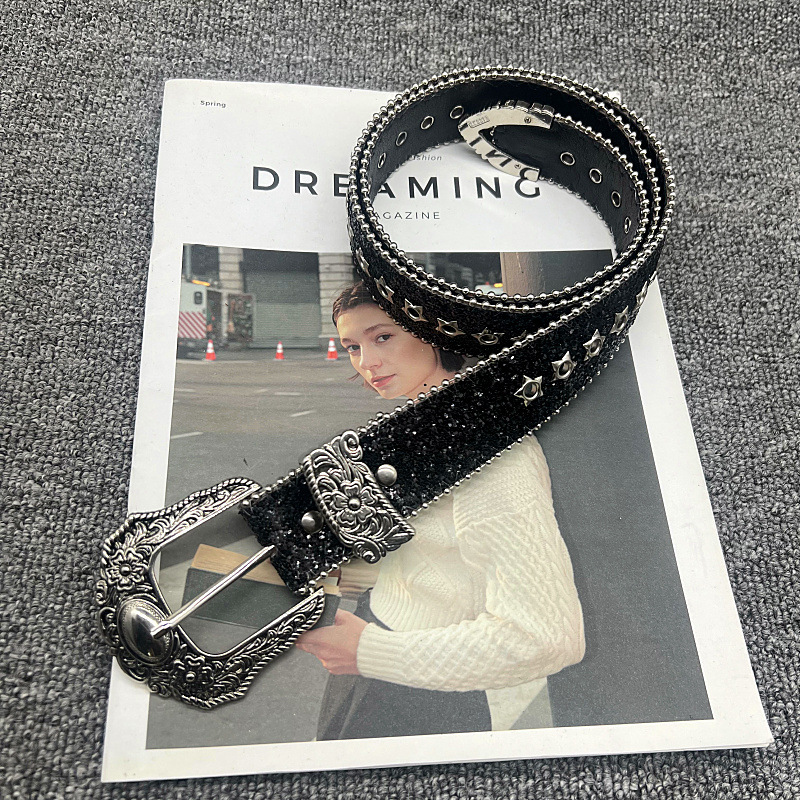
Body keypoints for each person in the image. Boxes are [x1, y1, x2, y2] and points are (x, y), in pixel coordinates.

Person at [296, 281, 585, 739]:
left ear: (434, 330)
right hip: (372, 649)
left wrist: (370, 653)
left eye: (383, 337)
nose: (366, 362)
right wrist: (343, 574)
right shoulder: (417, 423)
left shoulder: (495, 455)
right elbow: (437, 558)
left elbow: (544, 637)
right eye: (352, 347)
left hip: (420, 693)